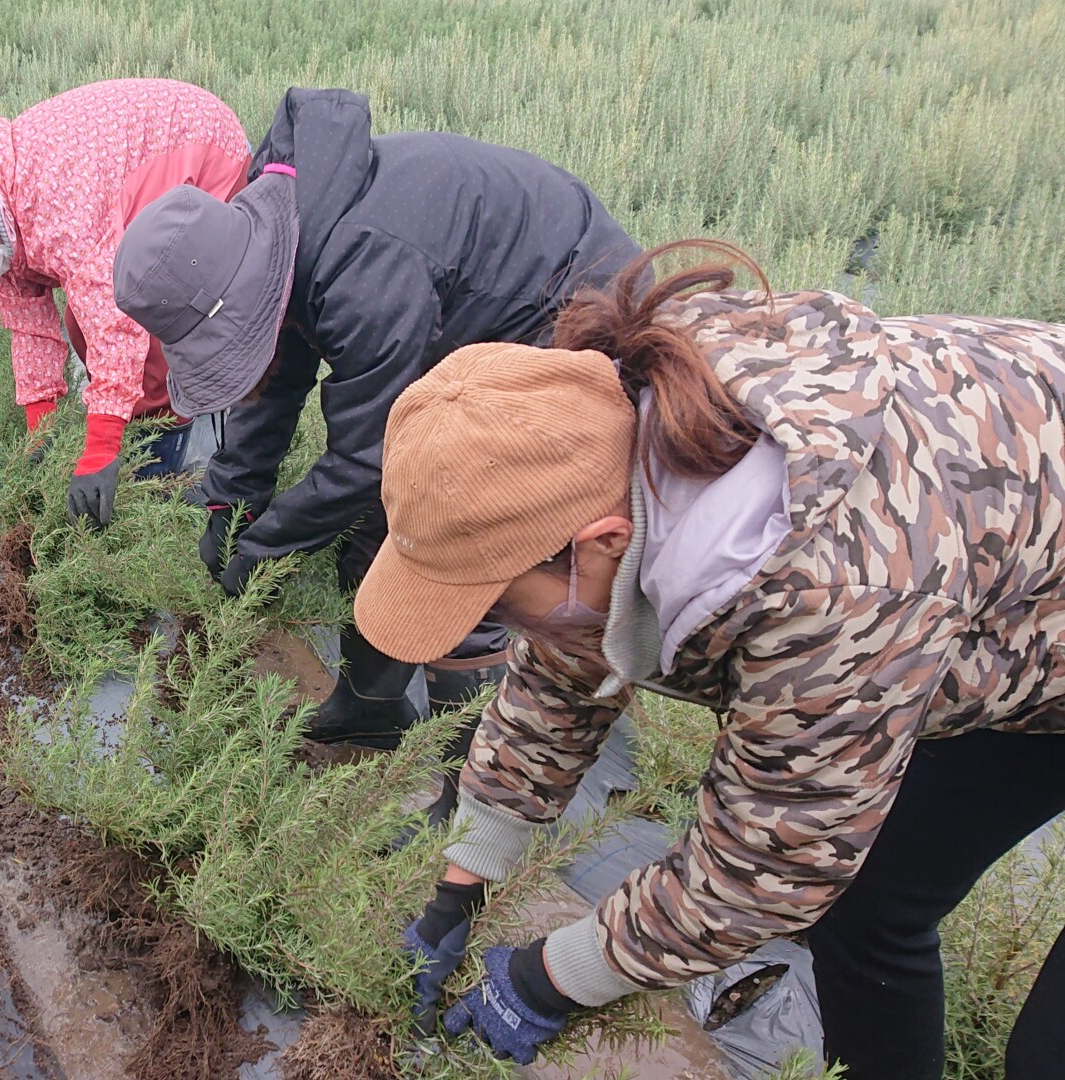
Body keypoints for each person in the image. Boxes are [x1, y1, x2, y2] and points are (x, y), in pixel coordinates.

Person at [363, 240, 1065, 1077]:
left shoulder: (825, 585)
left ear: (602, 544)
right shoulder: (619, 429)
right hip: (996, 587)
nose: (501, 629)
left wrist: (553, 976)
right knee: (871, 908)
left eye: (498, 603)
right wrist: (462, 880)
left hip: (948, 590)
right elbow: (569, 659)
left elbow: (765, 863)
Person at [111, 87, 640, 794]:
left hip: (565, 306)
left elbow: (367, 460)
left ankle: (470, 789)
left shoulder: (361, 270)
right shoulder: (271, 232)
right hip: (457, 301)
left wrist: (264, 550)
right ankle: (371, 707)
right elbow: (278, 369)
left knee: (462, 542)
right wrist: (228, 505)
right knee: (377, 529)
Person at [0, 79, 252, 528]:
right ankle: (129, 422)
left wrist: (101, 448)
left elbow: (116, 320)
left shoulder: (53, 209)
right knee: (79, 323)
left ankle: (161, 458)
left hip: (202, 154)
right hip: (126, 169)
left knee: (156, 333)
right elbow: (29, 325)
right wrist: (39, 430)